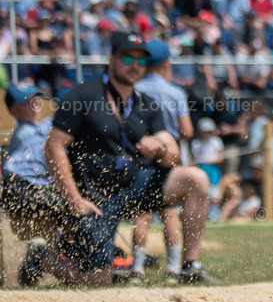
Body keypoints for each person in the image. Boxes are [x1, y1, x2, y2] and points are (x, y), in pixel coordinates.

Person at [24, 33, 217, 286]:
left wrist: (159, 148)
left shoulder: (146, 104)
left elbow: (172, 151)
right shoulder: (81, 96)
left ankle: (190, 266)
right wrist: (74, 199)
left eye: (140, 60)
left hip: (134, 187)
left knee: (195, 178)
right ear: (111, 59)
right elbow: (53, 147)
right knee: (97, 280)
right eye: (128, 58)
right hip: (94, 197)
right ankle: (40, 259)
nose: (135, 65)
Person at [131, 39, 191, 283]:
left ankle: (136, 269)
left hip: (142, 157)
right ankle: (174, 270)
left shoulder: (134, 89)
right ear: (167, 63)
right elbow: (186, 131)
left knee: (142, 214)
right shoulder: (175, 92)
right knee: (170, 213)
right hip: (168, 159)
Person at [2, 84, 66, 271]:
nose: (35, 106)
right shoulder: (29, 133)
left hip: (23, 190)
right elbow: (51, 160)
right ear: (12, 110)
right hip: (22, 190)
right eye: (26, 103)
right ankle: (49, 257)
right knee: (72, 206)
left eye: (35, 101)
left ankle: (45, 256)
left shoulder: (34, 128)